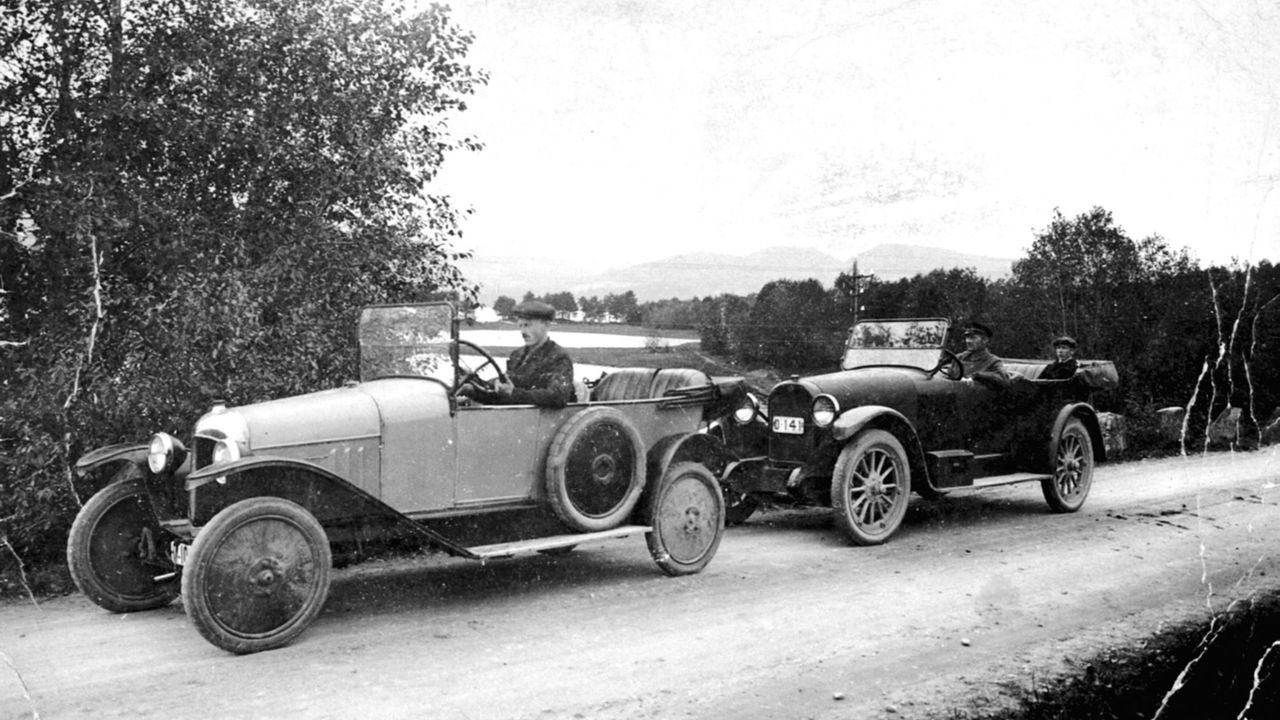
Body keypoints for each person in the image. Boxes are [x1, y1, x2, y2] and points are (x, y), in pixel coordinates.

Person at [460, 300, 575, 408]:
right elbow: (502, 395)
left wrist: (513, 393)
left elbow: (558, 396)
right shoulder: (517, 355)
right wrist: (472, 389)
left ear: (546, 325)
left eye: (528, 325)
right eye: (520, 326)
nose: (523, 332)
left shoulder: (559, 357)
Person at [957, 321, 1010, 389]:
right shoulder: (959, 358)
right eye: (967, 338)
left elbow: (1004, 381)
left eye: (973, 338)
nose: (968, 341)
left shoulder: (993, 361)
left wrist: (978, 375)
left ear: (984, 340)